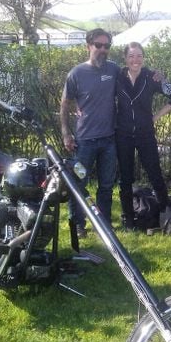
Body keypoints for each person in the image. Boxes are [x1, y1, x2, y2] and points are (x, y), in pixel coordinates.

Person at [116, 41, 171, 230]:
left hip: (145, 133)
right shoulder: (117, 77)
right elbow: (101, 94)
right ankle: (129, 218)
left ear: (144, 58)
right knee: (125, 179)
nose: (135, 60)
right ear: (125, 58)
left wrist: (155, 117)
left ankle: (165, 215)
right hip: (123, 134)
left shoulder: (152, 77)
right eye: (131, 56)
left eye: (139, 56)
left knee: (155, 173)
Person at [60, 28, 119, 238]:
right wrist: (66, 133)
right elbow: (65, 104)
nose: (103, 49)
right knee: (78, 185)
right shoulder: (76, 74)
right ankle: (78, 225)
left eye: (107, 46)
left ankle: (103, 224)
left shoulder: (114, 70)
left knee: (106, 186)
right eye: (98, 45)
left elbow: (135, 75)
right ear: (88, 46)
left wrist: (156, 76)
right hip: (84, 141)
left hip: (109, 139)